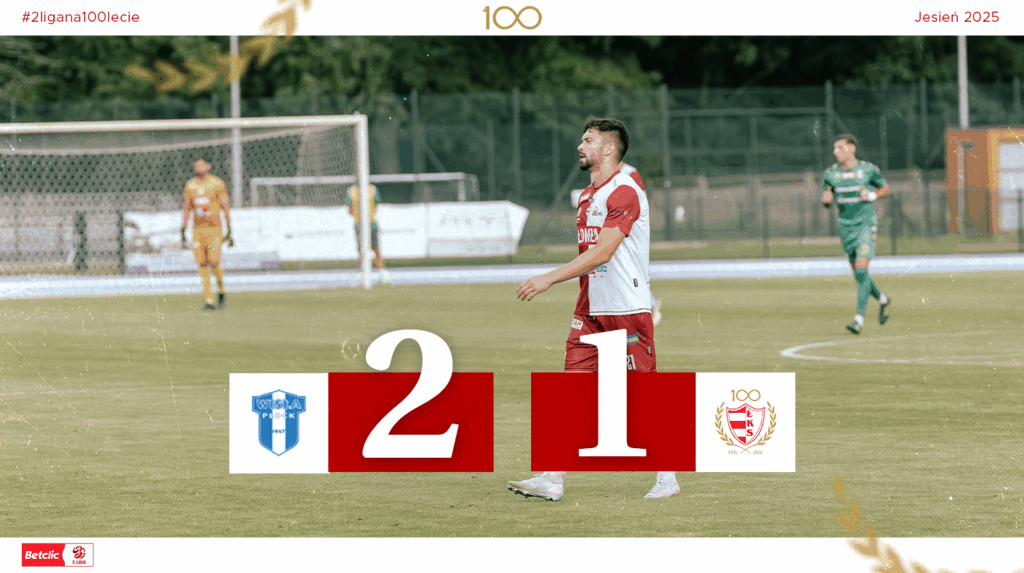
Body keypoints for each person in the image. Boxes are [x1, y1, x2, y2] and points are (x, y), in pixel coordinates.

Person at [507, 117, 678, 501]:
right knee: (570, 393)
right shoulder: (587, 197)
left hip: (626, 309)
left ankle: (668, 478)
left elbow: (603, 252)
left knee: (642, 398)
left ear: (609, 148)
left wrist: (548, 278)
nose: (580, 146)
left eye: (588, 140)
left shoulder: (625, 192)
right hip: (589, 311)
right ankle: (552, 478)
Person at [822, 134, 892, 334]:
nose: (836, 151)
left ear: (852, 148)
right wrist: (826, 200)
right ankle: (883, 299)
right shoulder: (831, 173)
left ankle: (858, 320)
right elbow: (826, 195)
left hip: (865, 225)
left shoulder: (867, 169)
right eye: (835, 148)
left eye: (840, 147)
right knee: (860, 275)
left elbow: (885, 188)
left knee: (861, 272)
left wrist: (872, 195)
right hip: (845, 228)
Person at [181, 156, 232, 311]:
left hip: (214, 229)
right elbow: (187, 207)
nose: (198, 167)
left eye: (201, 164)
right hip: (198, 230)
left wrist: (229, 228)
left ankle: (221, 290)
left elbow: (225, 205)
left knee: (214, 261)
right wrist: (183, 228)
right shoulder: (190, 185)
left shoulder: (217, 183)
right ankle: (209, 300)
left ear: (208, 166)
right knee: (202, 264)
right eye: (196, 165)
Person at [346, 183, 389, 285]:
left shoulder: (372, 189)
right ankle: (364, 274)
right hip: (359, 225)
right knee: (361, 251)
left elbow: (376, 205)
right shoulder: (351, 191)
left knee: (376, 249)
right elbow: (349, 209)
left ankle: (382, 274)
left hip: (371, 224)